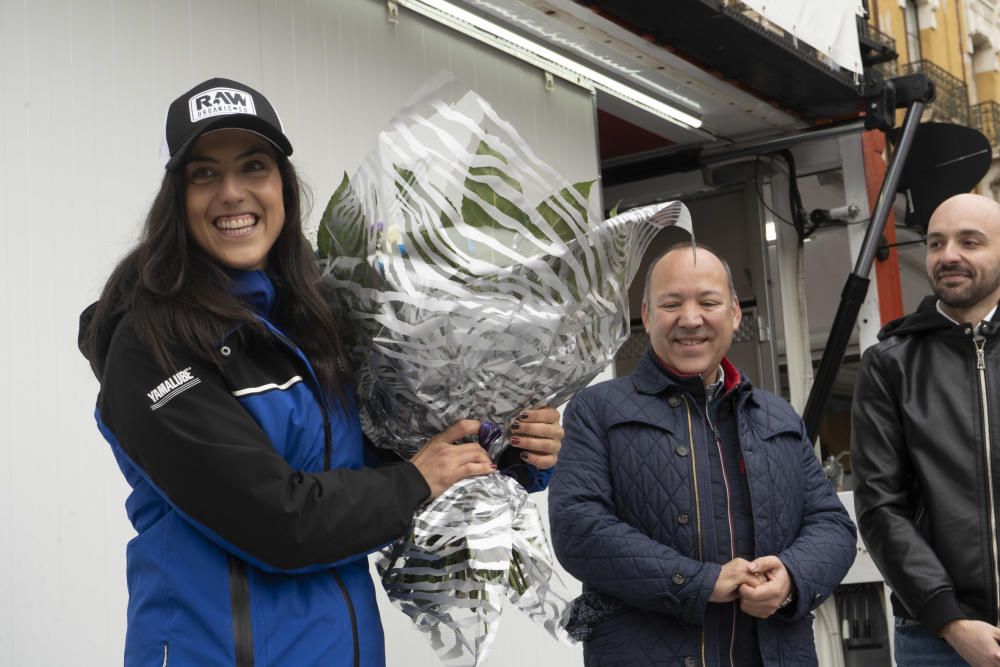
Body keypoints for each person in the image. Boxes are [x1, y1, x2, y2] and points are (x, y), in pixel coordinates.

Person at [78, 77, 563, 667]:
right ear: (175, 200)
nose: (232, 193)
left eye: (253, 167)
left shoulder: (312, 321)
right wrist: (416, 479)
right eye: (203, 174)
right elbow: (275, 520)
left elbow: (377, 461)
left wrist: (503, 447)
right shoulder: (151, 344)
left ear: (283, 184)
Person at [547, 243, 856, 666]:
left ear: (733, 313)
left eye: (708, 302)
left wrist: (793, 578)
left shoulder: (776, 416)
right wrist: (698, 582)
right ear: (647, 315)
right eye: (671, 303)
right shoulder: (597, 410)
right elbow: (578, 529)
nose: (690, 319)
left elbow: (832, 524)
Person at [852, 192, 1000, 666]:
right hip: (936, 638)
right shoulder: (889, 364)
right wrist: (950, 622)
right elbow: (880, 506)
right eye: (936, 244)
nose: (948, 255)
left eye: (969, 242)